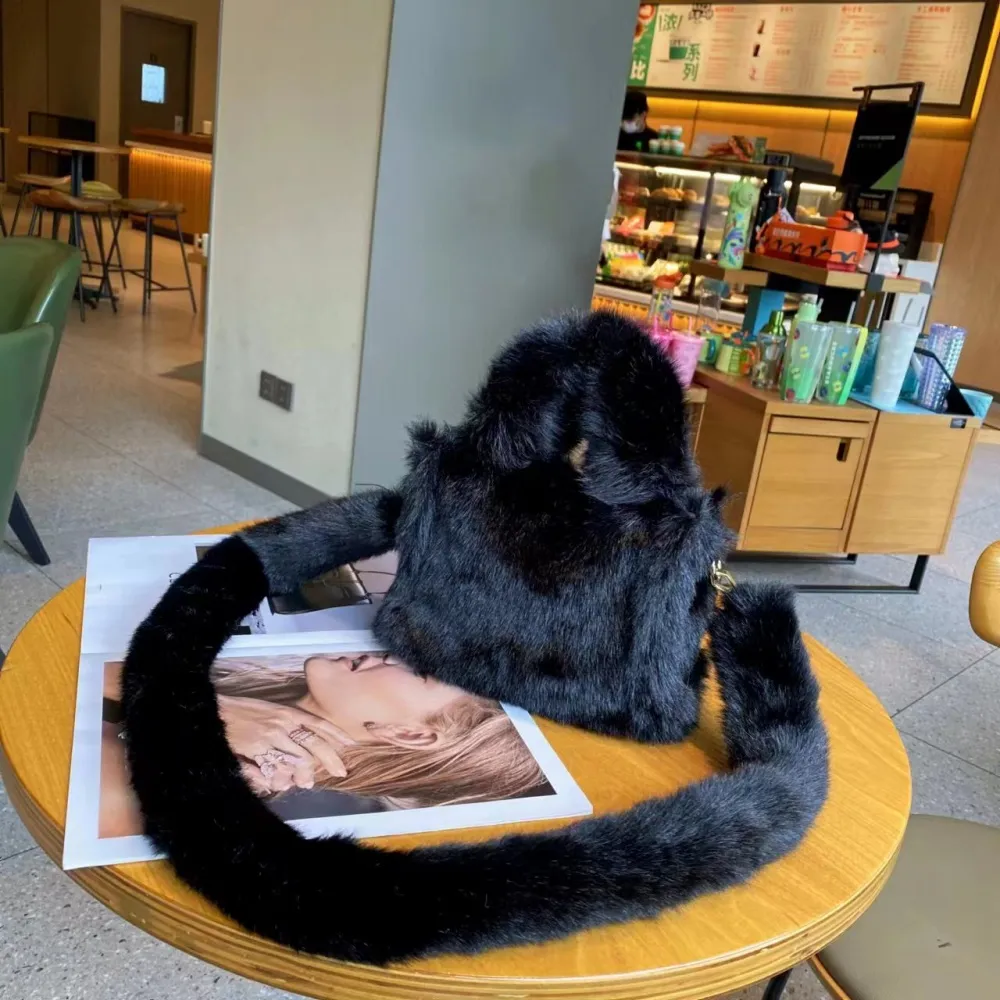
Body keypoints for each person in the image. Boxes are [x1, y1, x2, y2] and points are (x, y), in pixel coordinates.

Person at [98, 652, 552, 837]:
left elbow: (67, 688)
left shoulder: (237, 791)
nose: (390, 652)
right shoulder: (242, 683)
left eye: (420, 670)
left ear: (410, 734)